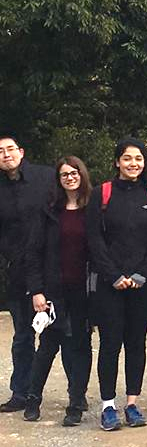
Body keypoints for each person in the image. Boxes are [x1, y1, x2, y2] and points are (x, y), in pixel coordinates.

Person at [87, 138, 147, 431]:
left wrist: (142, 273)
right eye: (127, 158)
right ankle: (108, 405)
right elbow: (94, 238)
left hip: (142, 283)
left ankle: (132, 403)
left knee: (136, 343)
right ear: (117, 161)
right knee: (110, 344)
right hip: (110, 283)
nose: (133, 163)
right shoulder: (102, 193)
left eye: (139, 158)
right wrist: (113, 275)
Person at [23, 156, 93, 426]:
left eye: (74, 172)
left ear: (82, 175)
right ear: (58, 179)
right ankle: (33, 399)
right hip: (53, 290)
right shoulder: (49, 211)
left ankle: (76, 402)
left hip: (84, 290)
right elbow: (33, 252)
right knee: (48, 346)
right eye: (65, 174)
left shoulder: (93, 209)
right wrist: (37, 291)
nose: (70, 178)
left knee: (81, 346)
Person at [0, 134, 56, 413]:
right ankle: (21, 392)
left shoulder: (46, 177)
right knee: (23, 334)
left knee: (58, 335)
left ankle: (73, 395)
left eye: (10, 149)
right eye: (0, 151)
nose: (5, 154)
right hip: (17, 270)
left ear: (21, 152)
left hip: (52, 267)